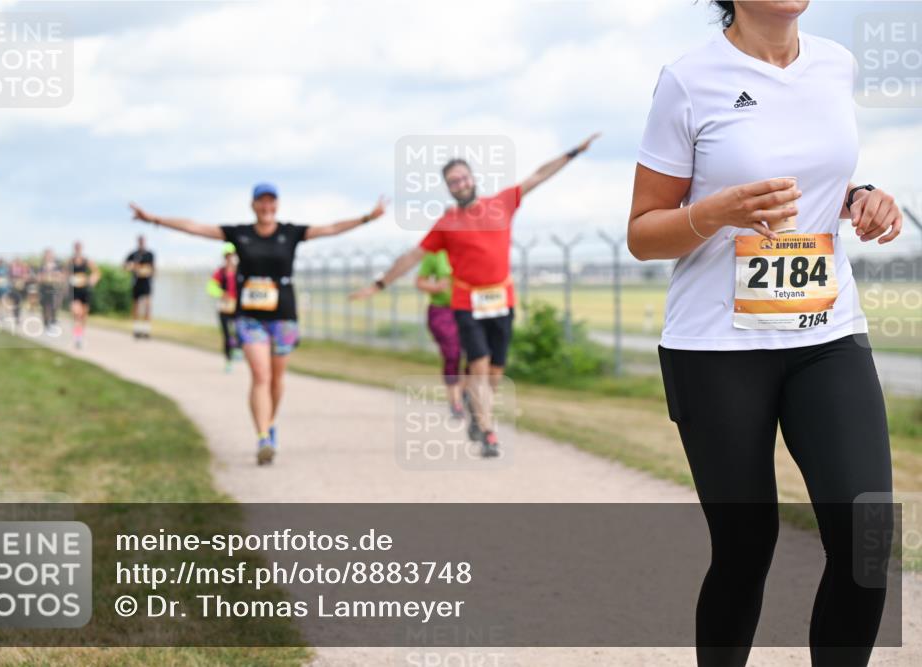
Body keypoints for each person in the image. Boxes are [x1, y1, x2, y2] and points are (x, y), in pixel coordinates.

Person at [627, 2, 902, 665]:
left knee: (867, 536)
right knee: (747, 546)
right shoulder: (689, 80)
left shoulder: (836, 65)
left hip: (828, 333)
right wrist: (714, 212)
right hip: (717, 349)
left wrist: (864, 195)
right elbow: (642, 231)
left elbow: (817, 179)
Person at [351, 133, 601, 458]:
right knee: (479, 365)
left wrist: (574, 151)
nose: (460, 184)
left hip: (501, 300)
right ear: (449, 188)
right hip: (466, 303)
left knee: (495, 371)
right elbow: (413, 257)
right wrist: (381, 284)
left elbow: (538, 176)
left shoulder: (501, 203)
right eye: (453, 182)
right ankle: (487, 431)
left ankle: (475, 406)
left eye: (463, 178)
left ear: (472, 179)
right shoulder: (446, 223)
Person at [129, 183, 387, 465]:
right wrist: (153, 219)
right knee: (260, 376)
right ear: (253, 205)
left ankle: (271, 421)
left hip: (284, 315)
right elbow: (195, 227)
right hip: (250, 317)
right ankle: (263, 436)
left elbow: (331, 228)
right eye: (261, 202)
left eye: (271, 202)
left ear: (277, 205)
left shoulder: (291, 233)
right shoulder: (240, 233)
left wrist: (366, 218)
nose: (266, 207)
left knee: (276, 380)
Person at [416, 250, 465, 418]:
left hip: (467, 309)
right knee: (453, 353)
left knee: (474, 353)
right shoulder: (436, 254)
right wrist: (436, 287)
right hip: (442, 311)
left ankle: (465, 394)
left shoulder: (467, 249)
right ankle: (455, 401)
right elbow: (420, 282)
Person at [207, 243, 242, 372]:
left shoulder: (240, 271)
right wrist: (222, 294)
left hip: (238, 307)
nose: (230, 258)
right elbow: (210, 287)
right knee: (227, 334)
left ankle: (238, 348)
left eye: (232, 255)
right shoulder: (220, 272)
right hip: (224, 307)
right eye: (228, 256)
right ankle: (228, 361)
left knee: (240, 330)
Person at [68, 242, 100, 349]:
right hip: (74, 291)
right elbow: (64, 273)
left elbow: (96, 272)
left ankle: (80, 335)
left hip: (84, 291)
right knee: (77, 314)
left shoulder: (86, 261)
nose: (77, 249)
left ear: (81, 249)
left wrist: (92, 280)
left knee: (83, 316)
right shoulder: (70, 261)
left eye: (79, 247)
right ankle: (77, 338)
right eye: (76, 247)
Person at [124, 235, 156, 339]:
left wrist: (149, 272)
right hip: (136, 282)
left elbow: (153, 268)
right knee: (136, 306)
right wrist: (131, 266)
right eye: (140, 241)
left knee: (147, 306)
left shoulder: (150, 254)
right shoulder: (133, 254)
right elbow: (125, 266)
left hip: (146, 282)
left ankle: (146, 330)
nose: (141, 243)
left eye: (143, 241)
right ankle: (136, 330)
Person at [38, 249, 64, 334]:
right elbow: (39, 278)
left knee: (54, 305)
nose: (49, 257)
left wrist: (56, 278)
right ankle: (46, 324)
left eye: (50, 255)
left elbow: (60, 277)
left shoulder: (57, 266)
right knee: (45, 306)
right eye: (47, 255)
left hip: (54, 288)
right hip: (44, 288)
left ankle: (52, 321)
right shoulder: (42, 267)